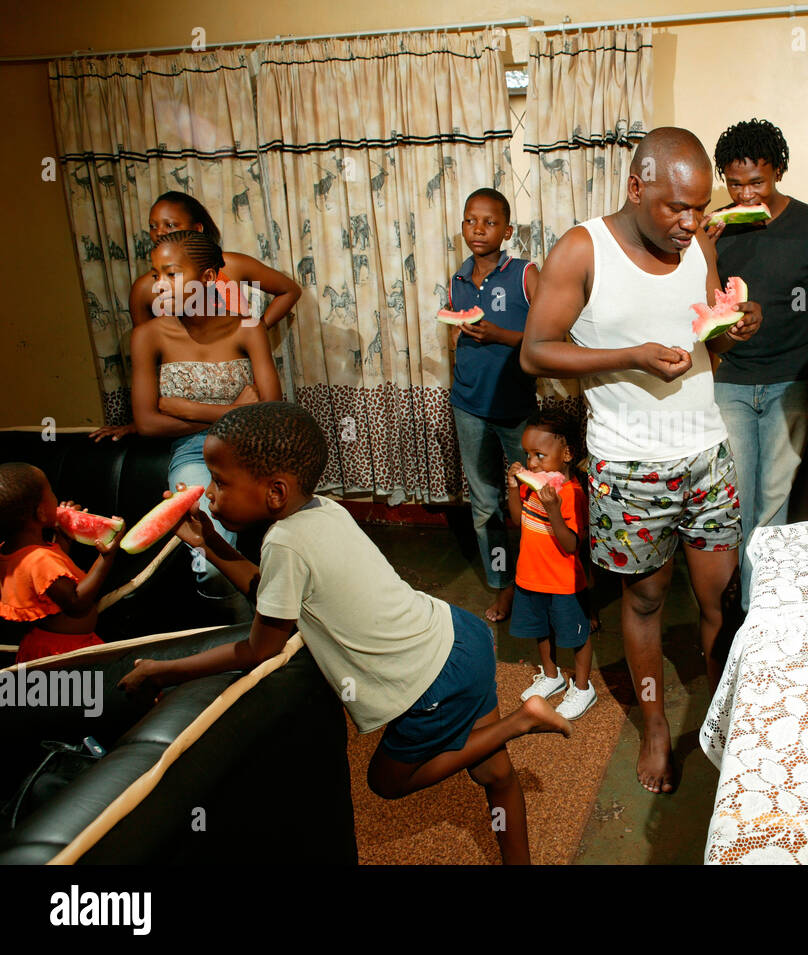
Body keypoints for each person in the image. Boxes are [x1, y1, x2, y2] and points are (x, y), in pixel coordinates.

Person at [117, 402, 572, 865]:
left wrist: (164, 670)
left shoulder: (282, 542)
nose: (210, 495)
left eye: (221, 482)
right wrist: (212, 545)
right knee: (495, 773)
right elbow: (271, 595)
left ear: (275, 491)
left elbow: (259, 648)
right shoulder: (323, 509)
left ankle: (522, 721)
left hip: (431, 680)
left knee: (386, 782)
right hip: (460, 636)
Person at [521, 126, 762, 794]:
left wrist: (736, 327)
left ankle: (723, 715)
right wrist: (630, 355)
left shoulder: (698, 245)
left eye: (698, 207)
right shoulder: (583, 248)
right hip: (628, 468)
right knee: (648, 601)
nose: (691, 222)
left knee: (722, 598)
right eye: (675, 208)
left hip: (705, 453)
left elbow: (710, 342)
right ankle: (655, 724)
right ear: (636, 187)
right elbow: (535, 351)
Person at [705, 118, 808, 608]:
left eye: (756, 182)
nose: (744, 195)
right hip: (730, 381)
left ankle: (761, 607)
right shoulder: (711, 230)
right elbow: (699, 304)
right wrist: (704, 246)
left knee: (776, 498)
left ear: (780, 171)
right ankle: (740, 605)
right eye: (734, 183)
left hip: (793, 381)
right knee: (737, 498)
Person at [129, 229, 282, 594]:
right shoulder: (148, 336)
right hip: (192, 451)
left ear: (209, 278)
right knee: (209, 567)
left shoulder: (249, 327)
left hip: (253, 449)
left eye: (172, 274)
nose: (160, 286)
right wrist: (233, 409)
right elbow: (148, 423)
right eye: (156, 275)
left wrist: (183, 408)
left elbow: (273, 410)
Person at [91, 191, 300, 441]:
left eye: (170, 225)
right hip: (185, 401)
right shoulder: (146, 289)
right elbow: (151, 364)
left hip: (242, 386)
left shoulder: (232, 266)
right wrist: (145, 421)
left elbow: (289, 290)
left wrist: (256, 330)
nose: (160, 232)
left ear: (197, 229)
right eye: (153, 226)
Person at [447, 188, 541, 623]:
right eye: (470, 220)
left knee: (540, 501)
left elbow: (548, 338)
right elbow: (458, 332)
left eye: (488, 222)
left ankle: (548, 586)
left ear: (506, 229)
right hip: (468, 406)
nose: (478, 229)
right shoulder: (458, 278)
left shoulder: (524, 274)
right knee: (486, 507)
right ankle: (503, 585)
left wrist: (501, 337)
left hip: (517, 409)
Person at [505, 411, 596, 720]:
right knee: (541, 631)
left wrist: (553, 509)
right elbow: (517, 520)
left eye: (540, 455)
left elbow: (571, 545)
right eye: (528, 454)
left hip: (563, 583)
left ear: (567, 453)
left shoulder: (571, 494)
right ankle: (551, 674)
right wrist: (512, 487)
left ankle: (583, 687)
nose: (531, 464)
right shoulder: (532, 486)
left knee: (576, 636)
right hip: (530, 577)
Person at [0, 463, 120, 662]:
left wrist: (62, 539)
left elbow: (50, 583)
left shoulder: (10, 550)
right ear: (40, 512)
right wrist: (106, 559)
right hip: (65, 652)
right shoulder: (40, 559)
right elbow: (76, 603)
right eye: (51, 492)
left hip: (41, 645)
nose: (56, 498)